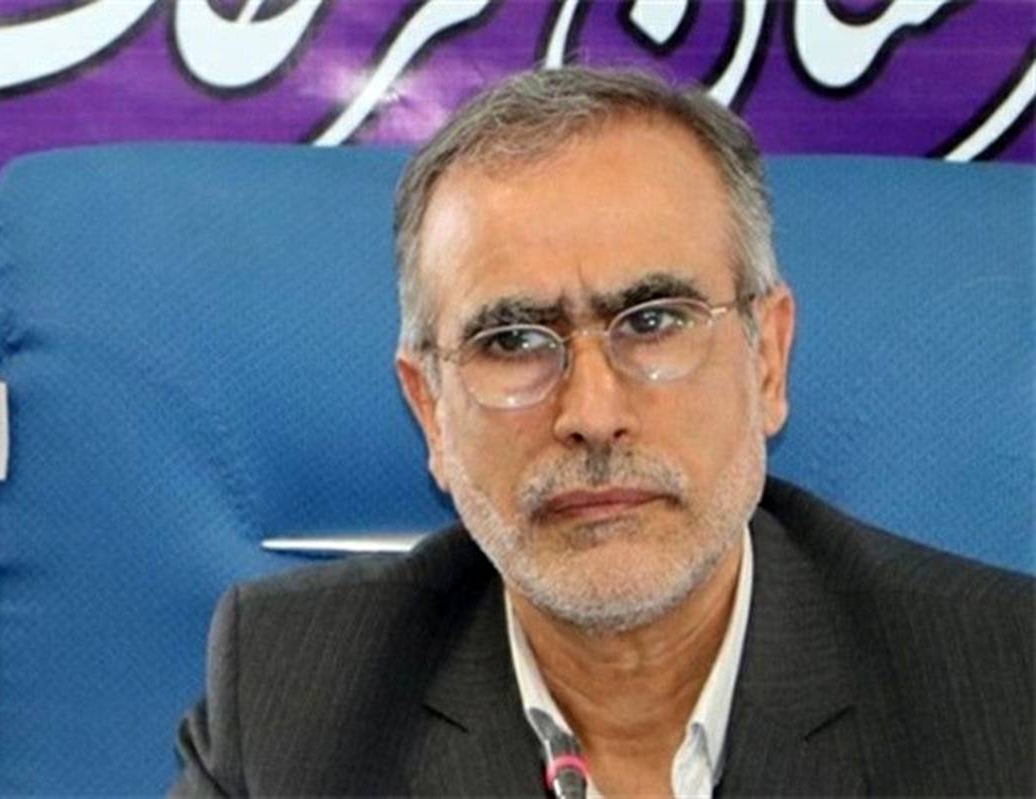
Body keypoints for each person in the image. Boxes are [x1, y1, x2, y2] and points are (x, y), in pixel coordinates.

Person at [170, 67, 1033, 796]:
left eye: (653, 322)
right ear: (430, 407)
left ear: (767, 361)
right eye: (513, 341)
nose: (591, 414)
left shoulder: (1007, 689)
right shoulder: (292, 702)